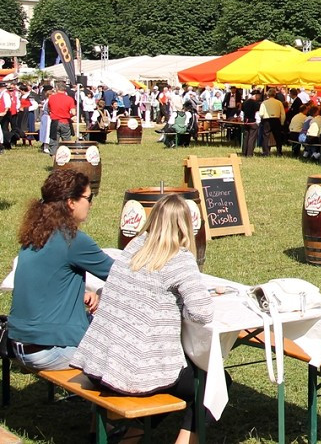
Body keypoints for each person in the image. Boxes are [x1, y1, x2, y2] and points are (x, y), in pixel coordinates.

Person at [72, 194, 213, 444]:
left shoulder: (135, 246)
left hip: (99, 361)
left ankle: (131, 434)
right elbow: (202, 313)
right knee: (212, 382)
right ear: (185, 225)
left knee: (166, 379)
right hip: (131, 372)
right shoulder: (180, 259)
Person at [7, 169, 114, 371]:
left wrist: (80, 293)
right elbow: (124, 276)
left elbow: (43, 281)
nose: (91, 204)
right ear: (71, 202)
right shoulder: (73, 240)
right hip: (51, 351)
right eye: (89, 198)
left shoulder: (35, 235)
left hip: (18, 344)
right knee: (124, 347)